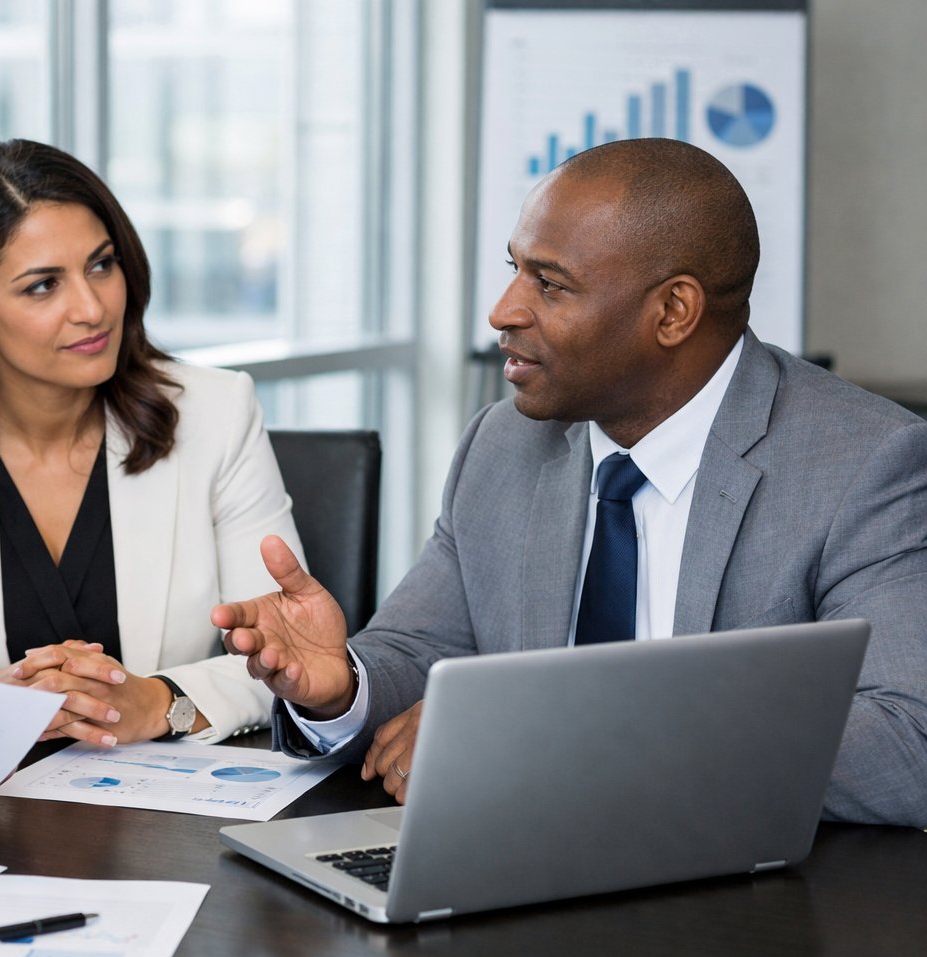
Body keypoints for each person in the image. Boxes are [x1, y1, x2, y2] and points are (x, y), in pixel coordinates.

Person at [213, 138, 927, 827]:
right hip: (514, 876)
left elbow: (906, 742)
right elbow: (420, 652)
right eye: (514, 269)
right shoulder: (504, 443)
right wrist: (342, 687)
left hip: (748, 912)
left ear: (672, 312)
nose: (503, 311)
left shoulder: (865, 464)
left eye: (550, 284)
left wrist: (559, 737)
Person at [0, 139, 303, 746]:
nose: (91, 308)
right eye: (43, 286)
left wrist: (163, 702)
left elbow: (289, 653)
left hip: (165, 820)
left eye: (101, 265)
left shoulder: (216, 412)